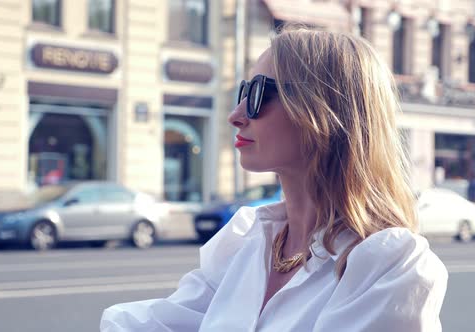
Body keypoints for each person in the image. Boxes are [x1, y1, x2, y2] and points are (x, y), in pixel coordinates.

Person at [101, 25, 448, 332]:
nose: (236, 116)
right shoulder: (247, 241)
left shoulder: (392, 266)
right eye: (242, 93)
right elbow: (150, 323)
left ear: (324, 111)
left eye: (257, 95)